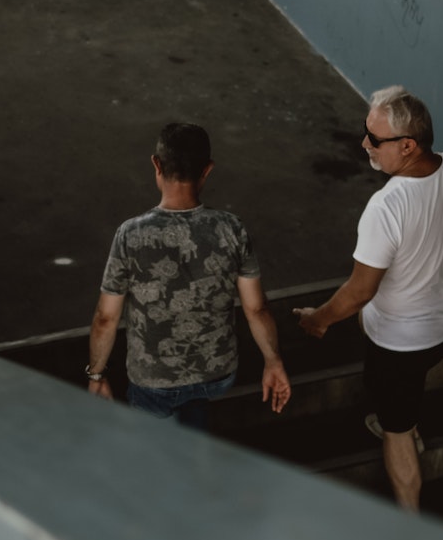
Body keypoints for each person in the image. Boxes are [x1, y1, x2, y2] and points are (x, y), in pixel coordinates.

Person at [294, 86, 443, 511]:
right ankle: (399, 409)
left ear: (408, 145)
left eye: (374, 139)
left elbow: (359, 292)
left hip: (401, 344)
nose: (364, 144)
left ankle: (409, 517)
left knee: (396, 423)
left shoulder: (387, 206)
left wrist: (319, 319)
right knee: (398, 380)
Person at [86, 123, 291, 427]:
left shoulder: (131, 234)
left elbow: (106, 317)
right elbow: (256, 308)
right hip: (218, 373)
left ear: (156, 164)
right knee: (195, 405)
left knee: (156, 443)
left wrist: (97, 374)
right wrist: (273, 362)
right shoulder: (232, 228)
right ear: (207, 170)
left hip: (154, 380)